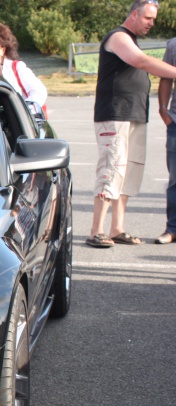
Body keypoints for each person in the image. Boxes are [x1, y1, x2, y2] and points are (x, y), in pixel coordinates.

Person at [88, 0, 176, 247]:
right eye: (148, 18)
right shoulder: (118, 37)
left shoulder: (131, 38)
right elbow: (141, 61)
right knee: (111, 169)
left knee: (128, 173)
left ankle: (117, 228)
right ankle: (97, 230)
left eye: (154, 19)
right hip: (115, 115)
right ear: (134, 14)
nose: (152, 23)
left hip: (135, 114)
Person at [0, 22, 47, 108]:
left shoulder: (17, 68)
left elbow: (39, 92)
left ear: (3, 49)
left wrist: (25, 111)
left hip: (15, 119)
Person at [157, 37, 176, 244]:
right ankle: (172, 229)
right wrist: (163, 109)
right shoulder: (173, 45)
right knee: (175, 180)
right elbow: (165, 78)